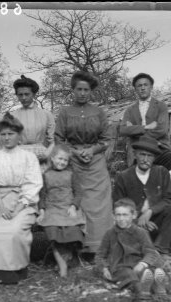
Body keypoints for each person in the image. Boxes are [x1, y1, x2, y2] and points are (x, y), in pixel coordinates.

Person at [0, 113, 43, 284]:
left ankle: (16, 270)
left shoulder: (29, 157)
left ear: (19, 135)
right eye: (3, 134)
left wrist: (19, 207)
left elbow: (33, 184)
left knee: (14, 230)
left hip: (22, 202)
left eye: (11, 134)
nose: (7, 138)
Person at [54, 70, 113, 254]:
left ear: (90, 91)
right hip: (73, 160)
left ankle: (99, 245)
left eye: (86, 90)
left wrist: (92, 150)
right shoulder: (65, 112)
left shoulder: (98, 112)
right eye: (79, 89)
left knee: (99, 202)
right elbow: (58, 139)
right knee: (75, 199)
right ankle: (78, 245)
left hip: (95, 162)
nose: (82, 93)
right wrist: (74, 152)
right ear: (73, 90)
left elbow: (106, 139)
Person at [112, 136, 171, 257]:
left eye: (149, 156)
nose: (145, 159)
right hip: (133, 223)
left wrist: (150, 211)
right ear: (135, 155)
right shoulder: (124, 177)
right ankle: (143, 248)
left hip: (157, 222)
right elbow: (118, 207)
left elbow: (169, 199)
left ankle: (160, 248)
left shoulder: (161, 172)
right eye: (142, 154)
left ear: (155, 157)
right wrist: (137, 220)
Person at [96, 198, 167, 297]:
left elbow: (150, 251)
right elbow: (100, 255)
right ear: (113, 216)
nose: (121, 219)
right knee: (129, 275)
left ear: (134, 215)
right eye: (118, 215)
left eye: (125, 215)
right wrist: (104, 268)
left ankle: (158, 287)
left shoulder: (141, 232)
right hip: (120, 267)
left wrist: (143, 263)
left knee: (148, 271)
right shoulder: (110, 233)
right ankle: (142, 290)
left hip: (137, 263)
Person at [37, 144, 86, 277]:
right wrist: (42, 210)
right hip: (52, 208)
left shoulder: (71, 174)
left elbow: (78, 193)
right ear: (52, 158)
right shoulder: (46, 175)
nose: (62, 162)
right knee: (53, 232)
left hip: (67, 207)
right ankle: (61, 263)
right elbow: (42, 195)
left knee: (72, 230)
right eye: (60, 158)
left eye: (65, 160)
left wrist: (74, 206)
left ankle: (68, 256)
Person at [119, 73, 171, 170]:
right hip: (137, 151)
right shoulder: (130, 110)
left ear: (151, 87)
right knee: (133, 174)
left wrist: (134, 131)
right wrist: (145, 127)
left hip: (160, 148)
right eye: (139, 86)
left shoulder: (161, 106)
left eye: (145, 85)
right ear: (135, 89)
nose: (142, 88)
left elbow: (161, 130)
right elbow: (122, 130)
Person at [11, 75, 55, 161]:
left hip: (42, 156)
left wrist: (46, 155)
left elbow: (53, 141)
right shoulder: (12, 116)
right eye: (20, 95)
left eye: (27, 94)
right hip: (18, 156)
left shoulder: (46, 115)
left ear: (34, 94)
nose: (23, 98)